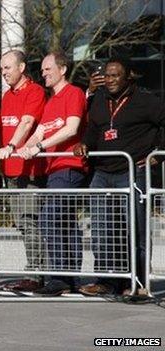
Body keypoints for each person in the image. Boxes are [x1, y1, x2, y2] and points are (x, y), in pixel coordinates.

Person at [74, 57, 164, 297]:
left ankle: (139, 283)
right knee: (103, 231)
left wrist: (159, 155)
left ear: (128, 78)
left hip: (133, 171)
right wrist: (83, 143)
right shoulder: (100, 100)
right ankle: (106, 280)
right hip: (102, 173)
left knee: (136, 230)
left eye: (115, 76)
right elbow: (94, 129)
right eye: (107, 75)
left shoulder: (146, 101)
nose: (110, 80)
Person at [17, 52, 87, 296]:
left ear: (63, 69)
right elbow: (40, 132)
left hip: (69, 168)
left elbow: (71, 128)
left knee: (51, 219)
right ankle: (68, 279)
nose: (43, 73)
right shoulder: (51, 101)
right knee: (64, 223)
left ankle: (60, 278)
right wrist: (22, 147)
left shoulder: (74, 94)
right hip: (54, 168)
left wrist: (38, 147)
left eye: (48, 69)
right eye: (43, 70)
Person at [0, 50, 47, 292]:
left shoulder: (34, 91)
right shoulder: (7, 96)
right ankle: (34, 271)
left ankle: (35, 274)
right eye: (1, 68)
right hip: (11, 170)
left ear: (22, 67)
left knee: (29, 221)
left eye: (7, 67)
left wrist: (12, 146)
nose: (3, 72)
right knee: (22, 223)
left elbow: (26, 122)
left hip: (29, 169)